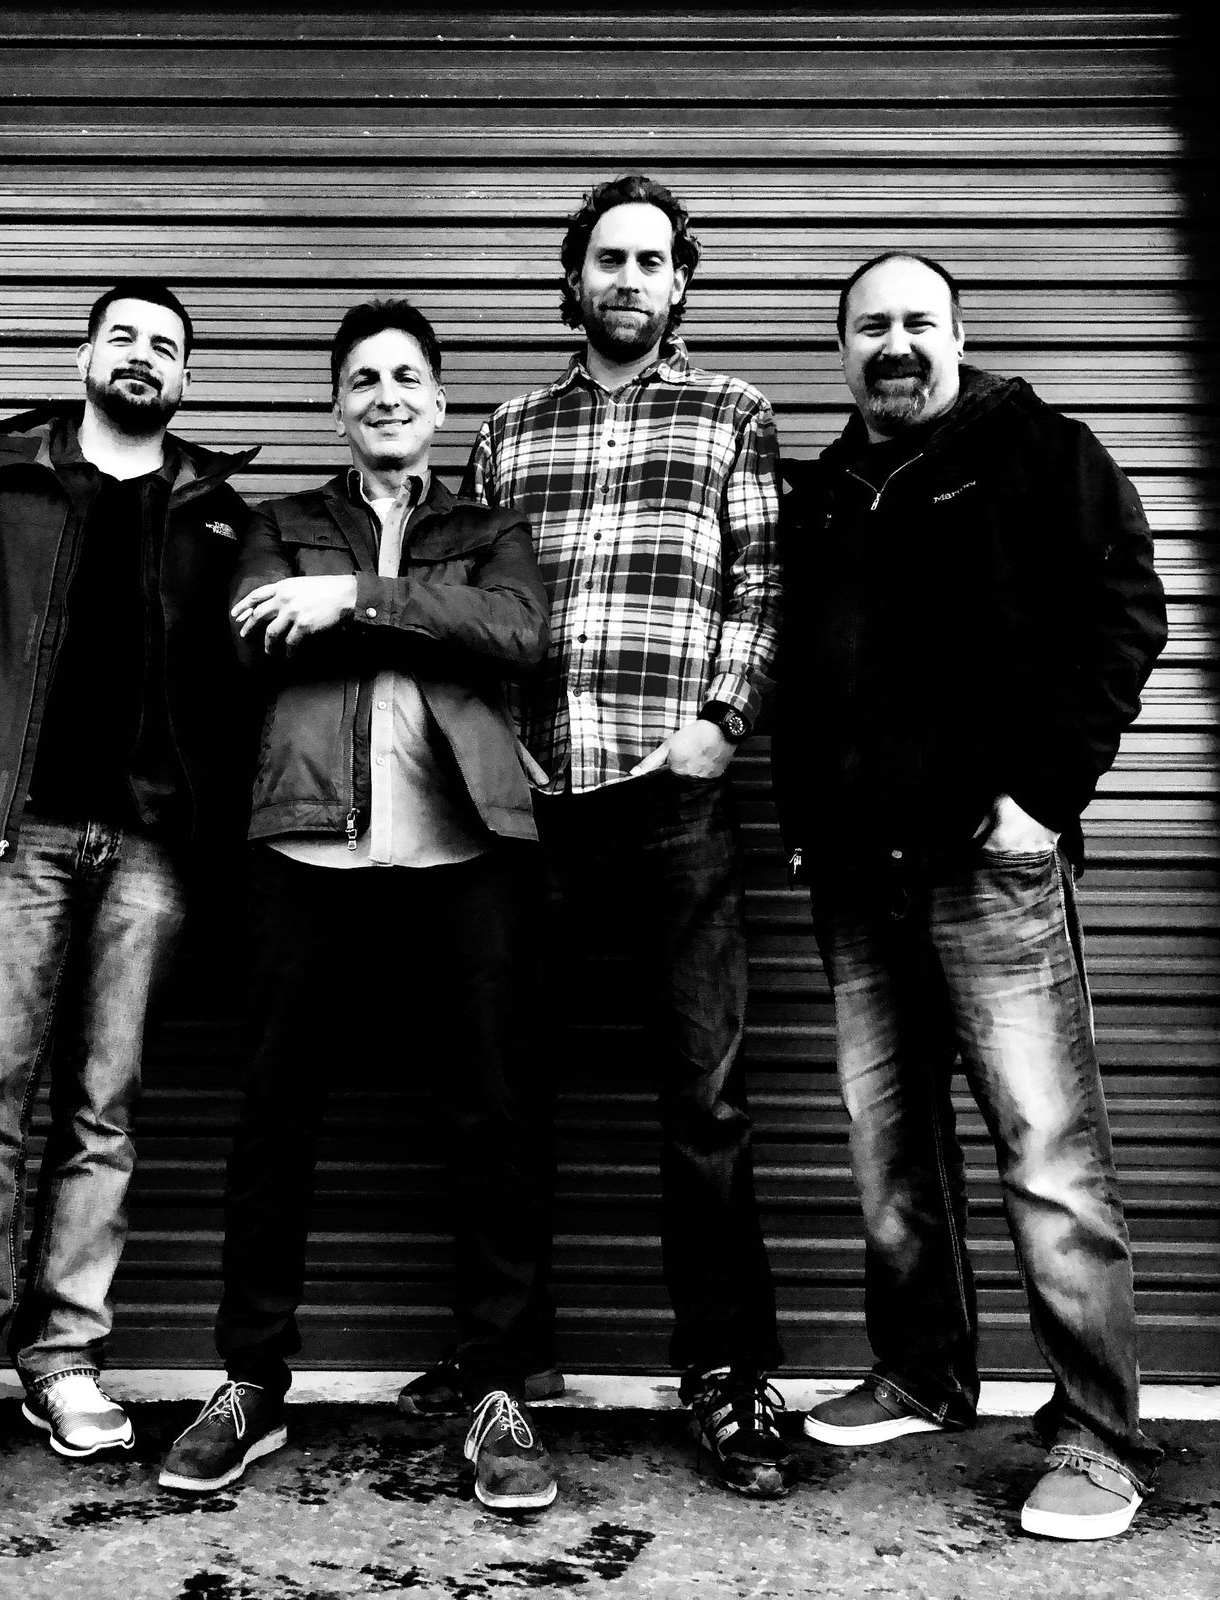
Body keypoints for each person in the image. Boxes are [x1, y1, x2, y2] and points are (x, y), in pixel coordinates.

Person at [772, 251, 1167, 1540]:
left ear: (958, 333)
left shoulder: (1040, 451)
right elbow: (803, 670)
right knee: (889, 1148)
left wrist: (1043, 796)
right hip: (858, 873)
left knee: (1049, 1151)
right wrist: (808, 822)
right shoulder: (829, 490)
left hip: (991, 866)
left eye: (917, 322)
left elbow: (1125, 614)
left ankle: (1099, 1436)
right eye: (869, 326)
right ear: (842, 349)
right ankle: (923, 1372)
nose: (895, 344)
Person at [158, 299, 558, 1513]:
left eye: (406, 377)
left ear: (438, 401)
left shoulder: (488, 526)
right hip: (303, 850)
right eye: (364, 379)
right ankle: (251, 1383)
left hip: (463, 853)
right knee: (274, 1122)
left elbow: (516, 632)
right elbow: (253, 639)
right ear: (337, 404)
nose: (387, 395)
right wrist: (390, 609)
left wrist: (349, 601)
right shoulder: (280, 522)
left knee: (491, 1121)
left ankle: (498, 1387)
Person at [432, 174, 792, 1499]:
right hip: (534, 806)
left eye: (651, 260)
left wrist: (717, 725)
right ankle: (504, 1371)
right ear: (573, 280)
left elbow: (762, 589)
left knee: (704, 1097)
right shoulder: (506, 431)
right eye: (608, 259)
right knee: (506, 1091)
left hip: (673, 798)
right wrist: (494, 743)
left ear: (681, 285)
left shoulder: (734, 413)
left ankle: (728, 1373)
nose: (629, 279)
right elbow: (472, 603)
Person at [0, 280, 260, 1478]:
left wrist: (201, 816)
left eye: (166, 346)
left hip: (147, 850)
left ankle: (65, 1360)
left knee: (105, 1109)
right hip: (11, 838)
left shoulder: (214, 514)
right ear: (85, 353)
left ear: (186, 380)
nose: (143, 356)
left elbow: (239, 693)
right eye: (123, 336)